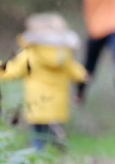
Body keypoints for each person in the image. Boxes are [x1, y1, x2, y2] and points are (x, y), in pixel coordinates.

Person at [0, 13, 88, 150]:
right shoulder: (63, 54)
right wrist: (83, 76)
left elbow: (10, 70)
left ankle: (39, 153)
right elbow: (76, 71)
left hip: (38, 102)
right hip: (58, 103)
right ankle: (55, 143)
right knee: (51, 127)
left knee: (38, 133)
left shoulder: (31, 53)